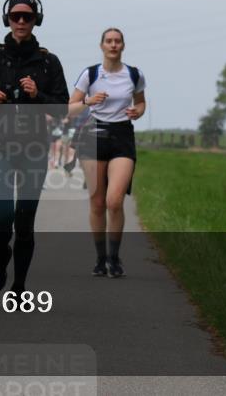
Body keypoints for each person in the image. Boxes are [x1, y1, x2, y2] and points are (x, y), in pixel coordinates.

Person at [0, 0, 68, 294]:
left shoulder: (49, 62)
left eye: (27, 16)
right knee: (3, 216)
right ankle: (1, 255)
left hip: (34, 149)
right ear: (7, 19)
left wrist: (37, 95)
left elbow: (62, 107)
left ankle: (19, 286)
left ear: (36, 20)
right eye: (15, 16)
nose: (21, 21)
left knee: (24, 221)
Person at [68, 28, 146, 278]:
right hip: (93, 134)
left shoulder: (134, 74)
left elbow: (141, 102)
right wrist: (88, 102)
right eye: (109, 41)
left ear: (123, 46)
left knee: (114, 201)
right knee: (98, 202)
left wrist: (138, 111)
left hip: (122, 137)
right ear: (101, 45)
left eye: (117, 41)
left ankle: (114, 257)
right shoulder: (90, 74)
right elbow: (70, 108)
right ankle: (101, 258)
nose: (113, 45)